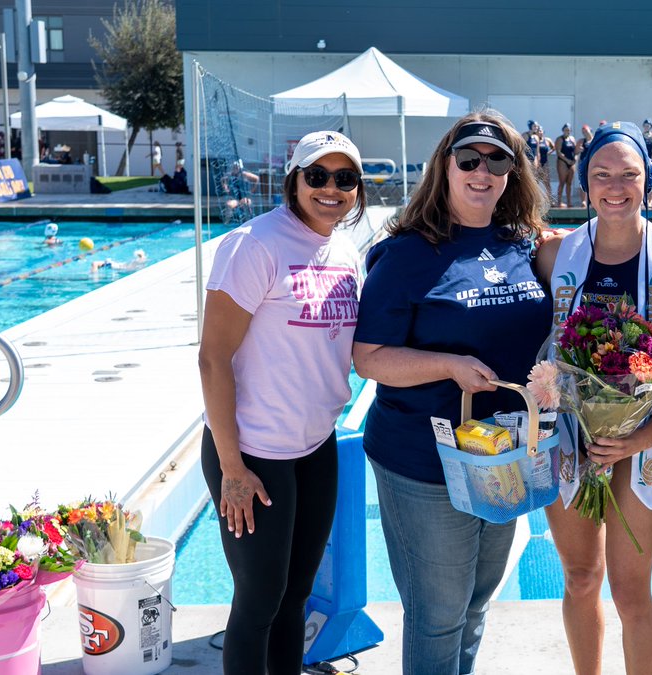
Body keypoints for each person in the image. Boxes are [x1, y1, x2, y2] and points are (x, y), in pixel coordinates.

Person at [351, 112, 550, 674]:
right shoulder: (408, 253)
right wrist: (448, 364)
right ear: (445, 166)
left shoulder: (522, 244)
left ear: (513, 173)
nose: (481, 171)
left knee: (476, 603)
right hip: (424, 462)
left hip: (502, 455)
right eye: (469, 159)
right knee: (438, 615)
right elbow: (368, 359)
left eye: (498, 160)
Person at [535, 121, 652, 675]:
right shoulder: (552, 256)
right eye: (601, 174)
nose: (615, 186)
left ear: (647, 182)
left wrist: (644, 434)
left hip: (645, 445)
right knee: (581, 579)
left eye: (628, 174)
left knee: (633, 592)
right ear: (584, 182)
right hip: (567, 439)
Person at [197, 130, 366, 674]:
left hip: (315, 446)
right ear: (294, 181)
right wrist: (232, 469)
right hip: (253, 452)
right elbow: (211, 358)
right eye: (317, 176)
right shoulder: (255, 245)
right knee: (259, 601)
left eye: (344, 179)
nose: (331, 189)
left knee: (295, 596)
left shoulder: (344, 250)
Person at [555, 123, 578, 207]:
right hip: (563, 162)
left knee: (569, 183)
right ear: (563, 130)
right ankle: (559, 202)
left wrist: (575, 158)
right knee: (562, 182)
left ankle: (569, 202)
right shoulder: (560, 139)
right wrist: (566, 160)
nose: (567, 132)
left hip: (571, 162)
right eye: (565, 130)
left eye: (568, 130)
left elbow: (575, 151)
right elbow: (558, 152)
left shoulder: (572, 139)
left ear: (570, 131)